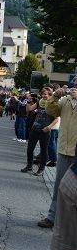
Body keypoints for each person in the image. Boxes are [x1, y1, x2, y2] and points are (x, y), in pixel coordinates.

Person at [37, 86, 77, 229]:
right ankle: (52, 217)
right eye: (74, 82)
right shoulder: (65, 100)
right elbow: (51, 111)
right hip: (64, 150)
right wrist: (54, 97)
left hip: (76, 152)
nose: (74, 85)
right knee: (59, 186)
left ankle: (70, 224)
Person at [20, 88, 55, 176]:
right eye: (42, 94)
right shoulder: (39, 102)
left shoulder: (52, 104)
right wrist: (28, 101)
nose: (44, 95)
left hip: (44, 130)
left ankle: (41, 169)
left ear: (50, 95)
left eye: (46, 94)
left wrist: (49, 127)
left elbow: (57, 119)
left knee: (44, 150)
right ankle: (29, 166)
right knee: (30, 149)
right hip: (35, 128)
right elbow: (29, 109)